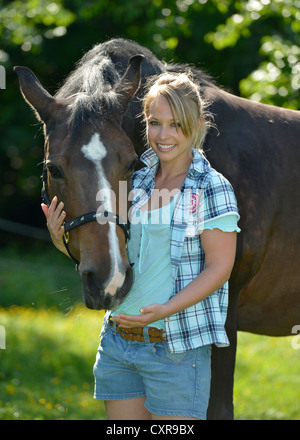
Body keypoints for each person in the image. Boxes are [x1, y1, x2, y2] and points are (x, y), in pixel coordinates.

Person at [42, 71, 240, 420]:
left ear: (195, 125)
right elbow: (114, 244)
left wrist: (166, 309)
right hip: (118, 343)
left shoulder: (212, 186)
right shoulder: (134, 177)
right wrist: (62, 242)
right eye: (154, 122)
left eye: (176, 124)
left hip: (175, 347)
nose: (163, 135)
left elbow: (219, 267)